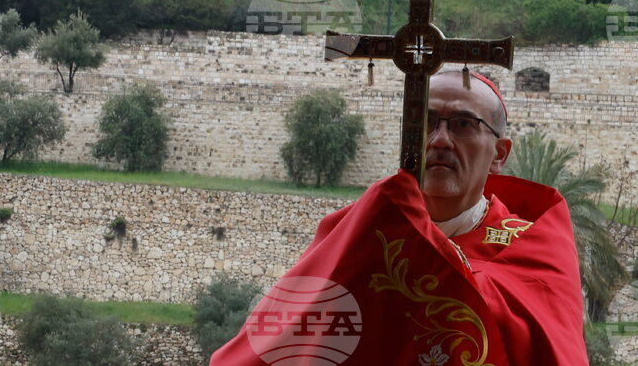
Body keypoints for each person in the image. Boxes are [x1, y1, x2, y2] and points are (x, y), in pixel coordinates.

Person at [212, 70, 587, 365]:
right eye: (426, 122)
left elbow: (545, 351)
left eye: (462, 124)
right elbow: (290, 341)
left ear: (499, 153)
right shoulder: (356, 232)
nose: (439, 140)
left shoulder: (535, 245)